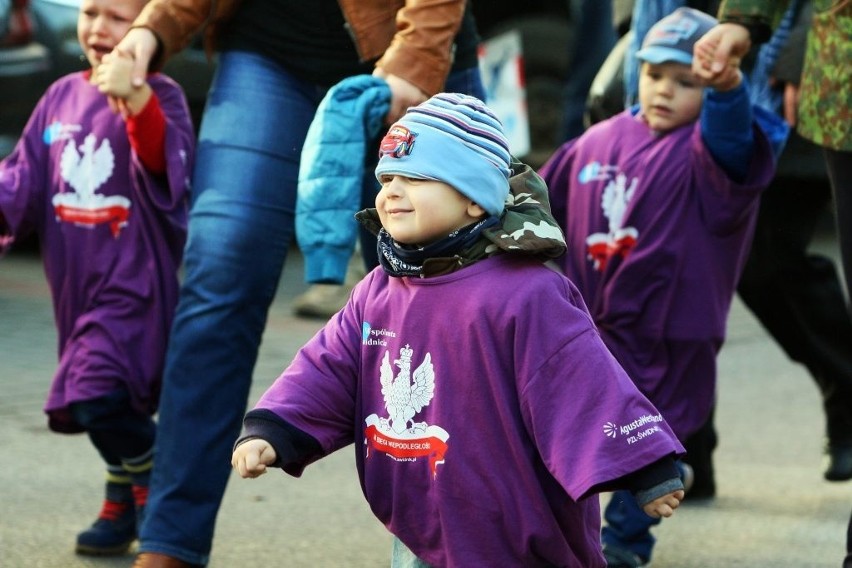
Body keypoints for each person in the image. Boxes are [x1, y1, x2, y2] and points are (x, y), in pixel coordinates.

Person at [231, 92, 686, 568]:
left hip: (516, 534)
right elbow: (329, 368)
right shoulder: (378, 290)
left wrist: (645, 465)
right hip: (419, 527)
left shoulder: (527, 294)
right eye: (386, 178)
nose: (391, 191)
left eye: (415, 178)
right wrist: (274, 428)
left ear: (474, 200)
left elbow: (583, 383)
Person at [108, 2, 485, 566]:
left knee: (449, 299)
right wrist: (154, 26)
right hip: (268, 53)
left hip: (412, 48)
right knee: (220, 268)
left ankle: (465, 546)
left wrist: (420, 55)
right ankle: (169, 542)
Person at [539, 8, 776, 567]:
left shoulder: (711, 153)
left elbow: (730, 130)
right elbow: (537, 211)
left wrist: (725, 88)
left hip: (671, 336)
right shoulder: (594, 142)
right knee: (575, 436)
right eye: (653, 75)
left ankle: (624, 545)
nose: (665, 90)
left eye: (685, 81)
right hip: (589, 332)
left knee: (642, 443)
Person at [0, 0, 194, 557]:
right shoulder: (61, 94)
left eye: (118, 18)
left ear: (148, 30)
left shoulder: (162, 96)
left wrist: (136, 102)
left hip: (133, 289)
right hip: (75, 291)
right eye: (90, 13)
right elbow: (22, 177)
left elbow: (168, 167)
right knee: (110, 404)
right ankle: (121, 498)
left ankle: (155, 480)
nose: (99, 29)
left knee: (96, 397)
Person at [694, 0, 852, 486]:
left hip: (792, 75)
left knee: (768, 260)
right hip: (693, 59)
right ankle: (686, 453)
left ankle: (845, 387)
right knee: (686, 265)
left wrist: (796, 54)